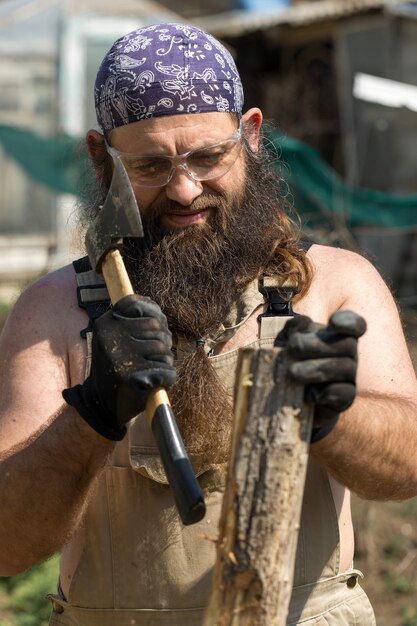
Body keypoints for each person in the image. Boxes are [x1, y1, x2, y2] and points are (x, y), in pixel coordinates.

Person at [0, 22, 416, 626]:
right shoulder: (54, 313)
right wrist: (88, 414)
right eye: (149, 166)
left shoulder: (332, 285)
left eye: (207, 156)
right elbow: (10, 545)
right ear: (100, 159)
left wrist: (338, 414)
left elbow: (407, 472)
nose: (184, 189)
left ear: (249, 135)